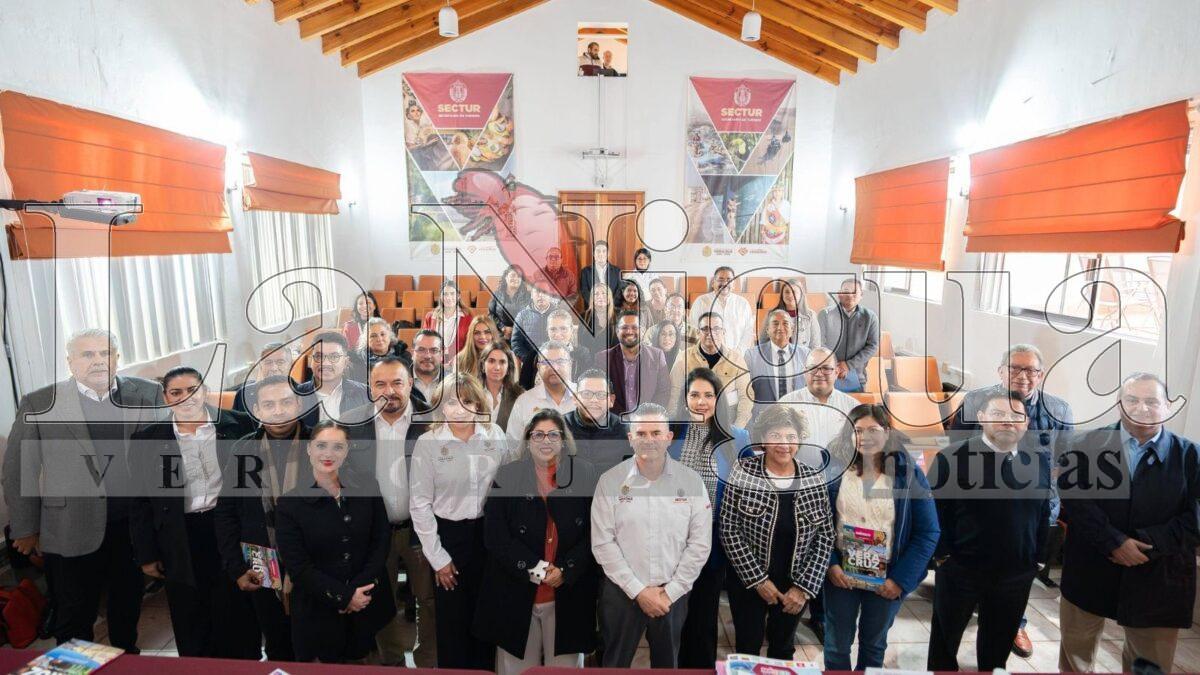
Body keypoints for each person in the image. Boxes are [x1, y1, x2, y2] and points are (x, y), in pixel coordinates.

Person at [3, 329, 161, 652]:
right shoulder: (39, 402)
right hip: (69, 527)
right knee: (74, 615)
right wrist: (25, 527)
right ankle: (75, 668)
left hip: (130, 526)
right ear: (70, 362)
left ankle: (126, 660)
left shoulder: (148, 393)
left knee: (128, 604)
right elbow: (19, 469)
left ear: (117, 358)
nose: (97, 361)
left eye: (105, 353)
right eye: (87, 354)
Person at [1058, 373, 1199, 673]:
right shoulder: (1083, 444)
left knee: (1149, 664)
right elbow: (1074, 499)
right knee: (1075, 659)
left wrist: (1148, 544)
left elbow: (1196, 517)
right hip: (1091, 568)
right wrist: (1113, 542)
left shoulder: (1191, 456)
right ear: (1118, 404)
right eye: (1132, 400)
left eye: (1152, 401)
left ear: (1168, 406)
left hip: (1159, 576)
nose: (1141, 408)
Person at [949, 343, 1073, 658]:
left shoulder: (1059, 409)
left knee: (1017, 573)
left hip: (1033, 506)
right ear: (1001, 371)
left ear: (1041, 375)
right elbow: (955, 449)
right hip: (980, 500)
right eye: (1015, 368)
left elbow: (1065, 461)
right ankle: (971, 609)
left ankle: (1015, 621)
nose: (1022, 376)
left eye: (1030, 370)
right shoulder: (975, 401)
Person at [129, 367, 260, 659]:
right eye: (176, 392)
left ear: (204, 391)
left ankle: (246, 663)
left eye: (192, 390)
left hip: (229, 527)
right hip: (180, 533)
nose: (185, 397)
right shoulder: (147, 440)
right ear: (166, 398)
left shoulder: (239, 424)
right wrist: (146, 553)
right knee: (191, 610)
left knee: (237, 606)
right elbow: (139, 502)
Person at [927, 390, 1051, 672]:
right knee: (945, 644)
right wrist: (942, 556)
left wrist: (1039, 557)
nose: (1008, 421)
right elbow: (933, 512)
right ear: (981, 417)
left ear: (1026, 422)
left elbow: (1043, 512)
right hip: (961, 570)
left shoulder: (1038, 461)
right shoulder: (952, 457)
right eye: (998, 414)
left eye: (1016, 416)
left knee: (997, 650)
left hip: (1015, 574)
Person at [476, 411, 600, 675]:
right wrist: (536, 568)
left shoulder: (585, 473)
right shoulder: (508, 475)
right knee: (516, 670)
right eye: (538, 435)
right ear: (528, 440)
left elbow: (596, 532)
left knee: (564, 672)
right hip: (515, 591)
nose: (546, 441)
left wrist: (565, 569)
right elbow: (495, 535)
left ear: (564, 440)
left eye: (553, 434)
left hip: (567, 592)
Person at [590, 403, 712, 667]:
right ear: (630, 438)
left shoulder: (691, 482)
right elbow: (603, 543)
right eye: (641, 434)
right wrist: (638, 591)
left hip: (672, 594)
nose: (649, 440)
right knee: (614, 664)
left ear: (669, 437)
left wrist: (671, 592)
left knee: (667, 664)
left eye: (656, 433)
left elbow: (699, 545)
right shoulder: (609, 482)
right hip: (621, 592)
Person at [409, 374, 515, 668]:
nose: (459, 409)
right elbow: (420, 504)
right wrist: (438, 558)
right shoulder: (428, 443)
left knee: (486, 620)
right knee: (452, 625)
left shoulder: (495, 435)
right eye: (451, 402)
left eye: (467, 401)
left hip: (488, 536)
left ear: (478, 403)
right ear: (440, 406)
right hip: (448, 538)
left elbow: (509, 489)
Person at [822, 405, 939, 670]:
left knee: (873, 645)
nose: (865, 437)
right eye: (858, 430)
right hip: (841, 576)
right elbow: (818, 524)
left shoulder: (908, 474)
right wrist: (831, 564)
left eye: (873, 430)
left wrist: (900, 580)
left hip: (888, 578)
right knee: (836, 645)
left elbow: (928, 532)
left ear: (886, 433)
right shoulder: (833, 470)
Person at [275, 421, 396, 663]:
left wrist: (358, 592)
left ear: (347, 451)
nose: (328, 454)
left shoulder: (367, 485)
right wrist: (344, 597)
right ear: (309, 449)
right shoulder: (290, 504)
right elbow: (299, 567)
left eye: (337, 447)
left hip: (365, 605)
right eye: (321, 445)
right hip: (318, 613)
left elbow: (381, 540)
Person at [341, 356, 436, 666]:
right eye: (380, 384)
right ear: (370, 388)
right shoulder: (350, 424)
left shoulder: (431, 421)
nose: (389, 391)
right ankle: (392, 664)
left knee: (429, 600)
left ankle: (427, 663)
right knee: (381, 602)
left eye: (397, 382)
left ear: (410, 384)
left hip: (422, 530)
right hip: (374, 533)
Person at [720, 406, 835, 659]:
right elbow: (729, 528)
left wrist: (804, 588)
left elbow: (825, 536)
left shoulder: (814, 479)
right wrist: (758, 581)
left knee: (783, 648)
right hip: (748, 582)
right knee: (747, 647)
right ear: (763, 438)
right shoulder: (743, 471)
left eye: (791, 437)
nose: (784, 444)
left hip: (794, 584)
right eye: (776, 436)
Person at [213, 374, 309, 661]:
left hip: (315, 561)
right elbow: (226, 512)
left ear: (299, 405)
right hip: (261, 559)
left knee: (318, 642)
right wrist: (236, 568)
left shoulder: (320, 442)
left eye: (286, 402)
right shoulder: (243, 449)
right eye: (269, 404)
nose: (278, 411)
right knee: (277, 642)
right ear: (256, 410)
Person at [669, 368, 751, 667]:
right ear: (685, 399)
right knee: (673, 616)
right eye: (694, 395)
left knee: (704, 615)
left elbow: (750, 487)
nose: (700, 402)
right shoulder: (671, 432)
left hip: (714, 541)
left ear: (718, 399)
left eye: (708, 395)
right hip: (673, 540)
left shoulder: (737, 438)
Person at [779, 347, 860, 465]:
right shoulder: (785, 404)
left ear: (837, 372)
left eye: (826, 368)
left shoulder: (853, 407)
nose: (819, 374)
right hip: (797, 474)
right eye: (813, 368)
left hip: (842, 474)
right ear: (804, 372)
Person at [669, 312, 752, 427]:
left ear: (723, 332)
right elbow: (674, 393)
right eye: (705, 329)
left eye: (716, 329)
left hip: (728, 420)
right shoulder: (683, 358)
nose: (711, 334)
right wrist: (675, 426)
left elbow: (746, 396)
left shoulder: (736, 359)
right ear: (698, 333)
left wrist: (737, 428)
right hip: (692, 420)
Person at [595, 310, 672, 414]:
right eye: (624, 328)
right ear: (617, 332)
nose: (630, 332)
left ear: (642, 331)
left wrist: (648, 416)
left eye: (635, 327)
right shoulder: (603, 358)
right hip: (615, 419)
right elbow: (601, 393)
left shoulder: (657, 356)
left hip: (647, 419)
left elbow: (663, 391)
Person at [507, 340, 577, 443]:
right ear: (538, 367)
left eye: (560, 361)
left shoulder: (585, 397)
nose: (554, 367)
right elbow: (513, 444)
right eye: (546, 362)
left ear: (570, 364)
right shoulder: (524, 401)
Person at [295, 331, 371, 427]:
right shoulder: (295, 395)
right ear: (311, 361)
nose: (325, 363)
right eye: (319, 356)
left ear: (346, 362)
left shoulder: (365, 394)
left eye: (334, 357)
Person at [817, 277, 879, 393]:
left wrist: (848, 365)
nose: (850, 295)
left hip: (857, 377)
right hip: (827, 375)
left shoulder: (870, 317)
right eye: (846, 291)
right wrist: (835, 367)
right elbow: (820, 344)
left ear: (861, 295)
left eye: (854, 292)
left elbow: (872, 346)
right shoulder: (824, 315)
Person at [744, 309, 811, 414]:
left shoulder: (805, 354)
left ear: (792, 329)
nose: (780, 328)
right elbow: (745, 391)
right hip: (763, 418)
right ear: (767, 330)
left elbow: (811, 389)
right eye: (775, 323)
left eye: (785, 323)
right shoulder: (752, 355)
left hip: (796, 417)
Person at [564, 369, 629, 474]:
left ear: (611, 400)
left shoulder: (627, 431)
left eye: (601, 395)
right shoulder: (558, 427)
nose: (594, 400)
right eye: (586, 394)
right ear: (575, 398)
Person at [690, 266, 755, 353]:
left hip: (737, 356)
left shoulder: (743, 304)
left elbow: (748, 332)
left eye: (729, 280)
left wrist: (738, 352)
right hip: (707, 355)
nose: (725, 283)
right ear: (713, 283)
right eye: (720, 280)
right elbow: (693, 329)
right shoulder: (701, 302)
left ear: (734, 284)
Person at [513, 285, 560, 389]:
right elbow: (516, 343)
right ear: (531, 295)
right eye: (537, 292)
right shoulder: (522, 315)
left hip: (555, 361)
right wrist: (529, 358)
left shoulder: (559, 314)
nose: (540, 295)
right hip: (530, 363)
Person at [232, 341, 296, 415]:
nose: (274, 368)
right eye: (268, 362)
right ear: (261, 365)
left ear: (290, 365)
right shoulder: (243, 395)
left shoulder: (300, 392)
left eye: (280, 362)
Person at [348, 317, 413, 384]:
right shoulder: (357, 360)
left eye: (382, 334)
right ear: (366, 340)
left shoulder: (404, 356)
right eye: (373, 336)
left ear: (389, 336)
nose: (379, 339)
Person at [478, 340, 524, 431]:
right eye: (491, 361)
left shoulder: (520, 396)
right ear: (483, 365)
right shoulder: (470, 393)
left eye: (502, 362)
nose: (497, 367)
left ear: (508, 368)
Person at [422, 281, 472, 361]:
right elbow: (425, 341)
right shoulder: (430, 317)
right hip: (435, 362)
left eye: (452, 294)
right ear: (441, 297)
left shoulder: (468, 318)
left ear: (458, 296)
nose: (448, 297)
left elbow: (470, 345)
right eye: (445, 294)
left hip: (459, 362)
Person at [770, 279, 822, 351]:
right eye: (787, 292)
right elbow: (764, 342)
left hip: (803, 357)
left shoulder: (810, 315)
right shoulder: (772, 314)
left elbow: (815, 345)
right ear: (782, 295)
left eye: (794, 292)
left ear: (801, 295)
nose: (790, 295)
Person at [490, 264, 531, 342]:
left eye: (519, 276)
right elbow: (491, 315)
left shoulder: (528, 296)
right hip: (501, 335)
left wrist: (515, 330)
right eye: (513, 275)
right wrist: (502, 328)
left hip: (522, 336)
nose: (516, 278)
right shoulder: (497, 294)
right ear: (506, 277)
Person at [547, 307, 592, 374]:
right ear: (547, 330)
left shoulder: (583, 354)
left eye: (563, 329)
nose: (558, 334)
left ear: (571, 330)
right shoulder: (539, 353)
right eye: (553, 329)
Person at [578, 239, 621, 305]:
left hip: (613, 308)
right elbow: (584, 291)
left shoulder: (617, 271)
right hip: (592, 308)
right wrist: (596, 304)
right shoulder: (585, 272)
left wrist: (610, 304)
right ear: (593, 254)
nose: (601, 254)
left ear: (608, 254)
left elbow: (619, 290)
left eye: (604, 251)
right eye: (598, 251)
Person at [580, 283, 616, 358]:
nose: (600, 297)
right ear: (592, 299)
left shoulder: (619, 315)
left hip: (613, 359)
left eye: (604, 293)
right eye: (596, 294)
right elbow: (581, 343)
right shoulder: (584, 316)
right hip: (590, 360)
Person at [411, 329, 446, 404]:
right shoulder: (400, 380)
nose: (427, 356)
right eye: (421, 350)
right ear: (412, 353)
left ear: (442, 355)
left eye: (434, 350)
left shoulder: (453, 382)